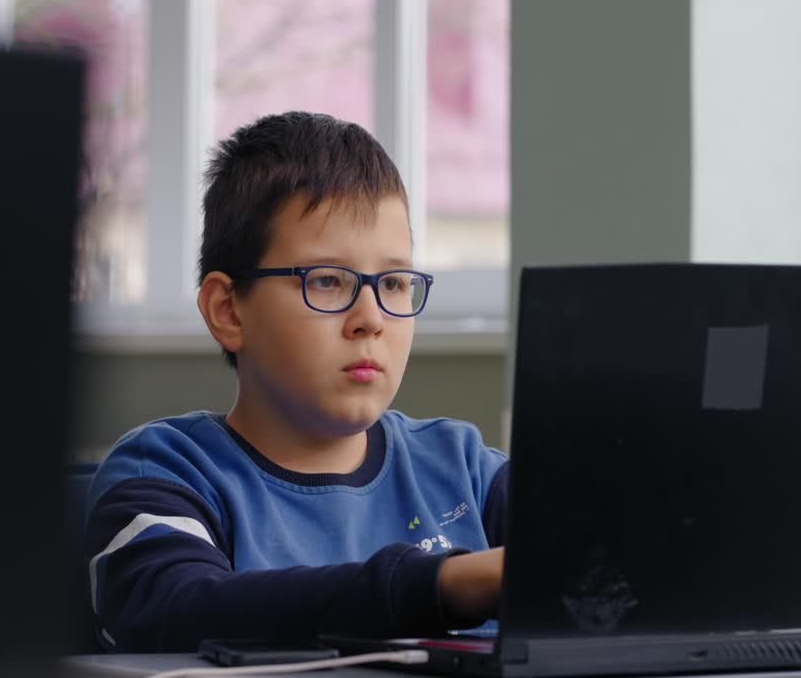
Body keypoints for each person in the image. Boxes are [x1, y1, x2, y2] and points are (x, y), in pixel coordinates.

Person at [84, 112, 509, 651]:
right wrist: (445, 585)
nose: (371, 318)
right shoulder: (167, 471)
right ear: (229, 310)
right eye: (328, 280)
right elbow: (175, 608)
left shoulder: (467, 469)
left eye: (395, 282)